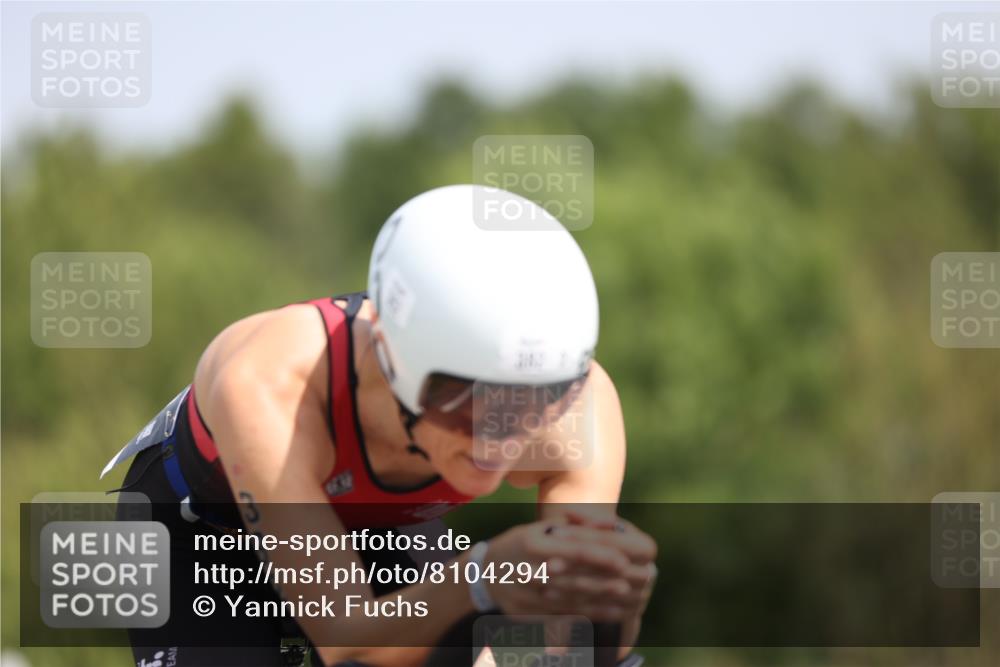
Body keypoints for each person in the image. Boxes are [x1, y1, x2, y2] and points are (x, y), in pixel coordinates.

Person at [103, 184, 657, 667]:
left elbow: (565, 629)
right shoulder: (271, 383)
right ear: (393, 359)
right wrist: (483, 578)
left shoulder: (580, 408)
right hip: (201, 530)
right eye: (465, 402)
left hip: (382, 522)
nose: (500, 439)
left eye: (535, 406)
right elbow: (346, 640)